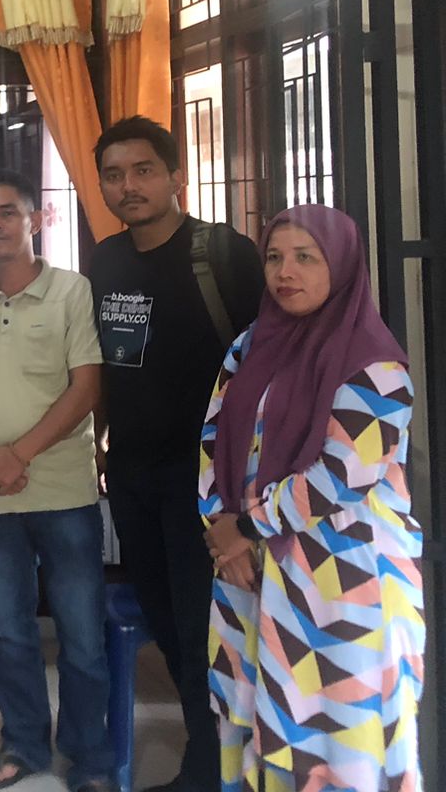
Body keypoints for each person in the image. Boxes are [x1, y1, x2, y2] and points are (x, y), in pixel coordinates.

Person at [200, 206, 422, 792]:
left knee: (334, 739)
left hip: (340, 582)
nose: (285, 272)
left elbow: (341, 477)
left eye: (305, 257)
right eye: (274, 257)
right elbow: (213, 438)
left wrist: (244, 529)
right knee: (252, 718)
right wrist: (221, 529)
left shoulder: (374, 364)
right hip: (248, 573)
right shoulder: (251, 345)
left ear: (342, 266)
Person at [88, 116, 263, 792]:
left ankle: (210, 772)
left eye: (143, 171)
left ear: (175, 176)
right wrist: (99, 443)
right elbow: (109, 362)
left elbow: (265, 366)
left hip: (207, 481)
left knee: (202, 629)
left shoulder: (224, 254)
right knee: (164, 618)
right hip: (133, 474)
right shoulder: (106, 259)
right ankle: (210, 754)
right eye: (113, 175)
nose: (128, 186)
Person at [0, 170, 113, 792]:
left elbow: (86, 386)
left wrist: (19, 455)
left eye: (7, 212)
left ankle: (89, 755)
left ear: (34, 219)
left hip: (64, 491)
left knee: (81, 635)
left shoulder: (72, 290)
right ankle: (23, 743)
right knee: (9, 632)